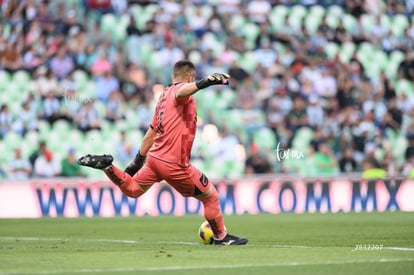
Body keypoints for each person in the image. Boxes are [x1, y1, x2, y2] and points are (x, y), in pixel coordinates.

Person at [78, 60, 248, 245]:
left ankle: (108, 167)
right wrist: (206, 82)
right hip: (174, 164)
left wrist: (138, 160)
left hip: (155, 159)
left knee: (133, 189)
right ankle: (221, 237)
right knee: (210, 196)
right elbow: (182, 91)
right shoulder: (180, 92)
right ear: (189, 78)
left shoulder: (162, 98)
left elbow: (151, 132)